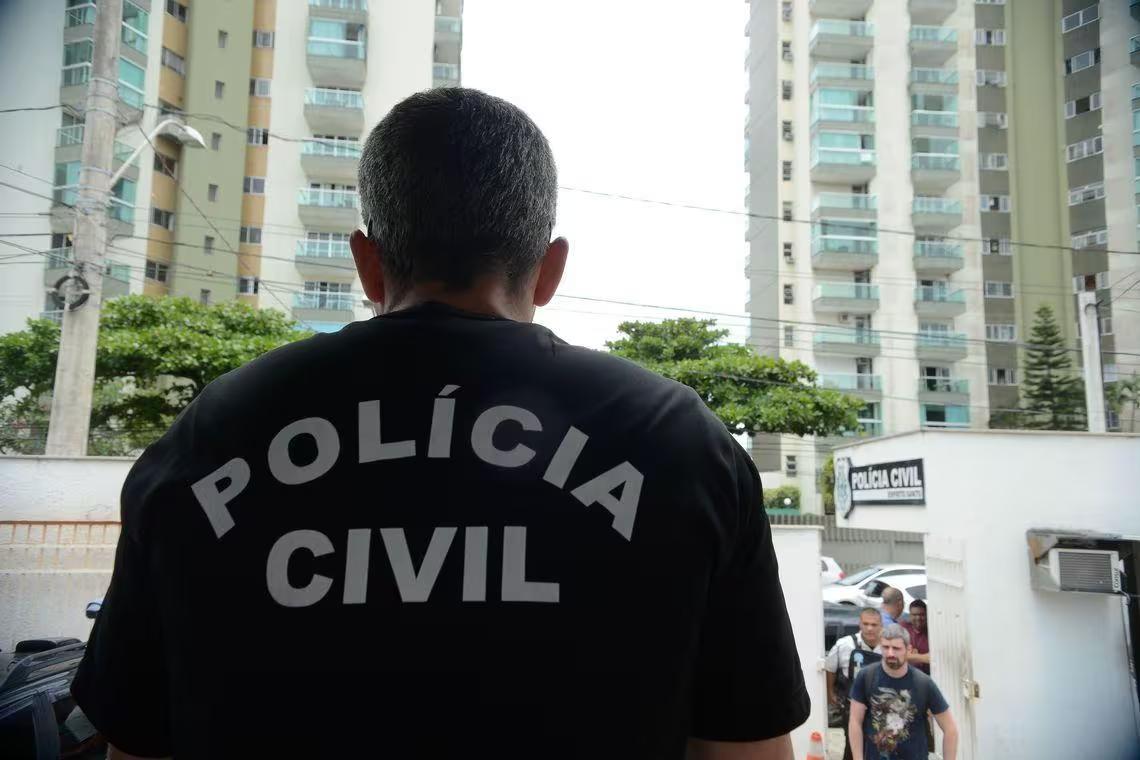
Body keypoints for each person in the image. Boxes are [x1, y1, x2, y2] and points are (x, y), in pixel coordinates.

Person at [70, 88, 809, 760]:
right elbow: (746, 750)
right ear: (549, 270)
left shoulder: (209, 439)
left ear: (366, 262)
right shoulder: (679, 444)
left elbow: (136, 748)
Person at [848, 625, 958, 760]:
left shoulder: (923, 683)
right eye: (885, 647)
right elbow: (854, 721)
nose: (890, 653)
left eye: (896, 648)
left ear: (908, 649)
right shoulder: (866, 676)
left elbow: (950, 729)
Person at [825, 608, 883, 760]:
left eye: (874, 624)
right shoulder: (844, 644)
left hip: (881, 707)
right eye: (866, 624)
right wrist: (830, 693)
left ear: (881, 625)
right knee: (853, 747)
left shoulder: (888, 646)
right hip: (851, 705)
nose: (870, 628)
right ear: (860, 624)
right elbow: (829, 668)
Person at [903, 599, 930, 674]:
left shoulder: (932, 632)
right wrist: (923, 657)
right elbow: (897, 655)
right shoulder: (903, 628)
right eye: (914, 615)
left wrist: (911, 657)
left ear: (927, 615)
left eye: (921, 614)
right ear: (910, 615)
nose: (918, 618)